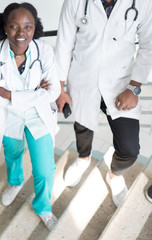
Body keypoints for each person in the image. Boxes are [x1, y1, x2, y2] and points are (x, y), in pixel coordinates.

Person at [55, 0, 152, 207]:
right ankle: (83, 159)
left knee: (129, 149)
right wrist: (60, 88)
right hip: (83, 79)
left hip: (120, 85)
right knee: (82, 126)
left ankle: (115, 175)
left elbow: (148, 46)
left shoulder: (143, 3)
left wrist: (134, 87)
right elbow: (64, 42)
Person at [0, 2, 61, 230]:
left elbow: (53, 91)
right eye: (14, 26)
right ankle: (15, 183)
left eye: (28, 26)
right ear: (5, 27)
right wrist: (35, 94)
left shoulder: (43, 50)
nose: (21, 32)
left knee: (45, 168)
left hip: (38, 116)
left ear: (35, 28)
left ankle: (43, 207)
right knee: (13, 154)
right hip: (9, 116)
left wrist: (9, 94)